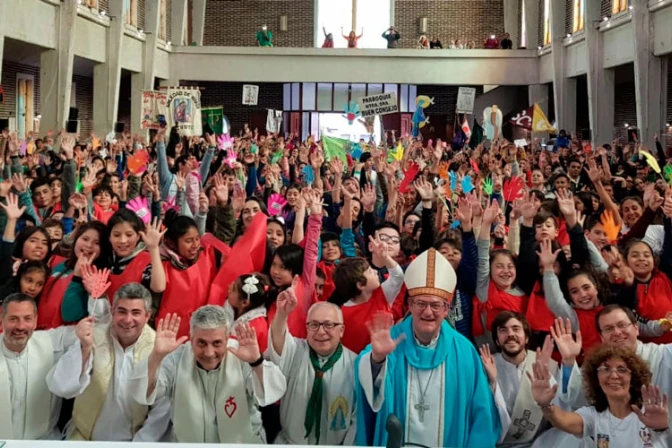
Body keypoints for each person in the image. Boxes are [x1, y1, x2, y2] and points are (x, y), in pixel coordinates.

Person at [354, 248, 501, 447]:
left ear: (446, 309)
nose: (428, 312)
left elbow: (482, 414)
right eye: (421, 303)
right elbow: (363, 383)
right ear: (410, 305)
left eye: (435, 305)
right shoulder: (390, 341)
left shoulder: (464, 352)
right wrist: (377, 360)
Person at [128, 306, 287, 443]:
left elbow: (271, 394)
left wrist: (257, 362)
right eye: (201, 343)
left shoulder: (242, 355)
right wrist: (156, 356)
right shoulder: (177, 358)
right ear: (191, 339)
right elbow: (143, 394)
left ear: (227, 339)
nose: (209, 353)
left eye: (217, 343)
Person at [60, 280, 170, 441]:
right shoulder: (93, 337)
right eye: (122, 311)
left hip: (134, 440)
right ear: (112, 311)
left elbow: (162, 408)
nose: (128, 319)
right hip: (85, 436)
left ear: (147, 316)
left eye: (136, 313)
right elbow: (64, 387)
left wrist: (140, 442)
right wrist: (84, 348)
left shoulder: (158, 347)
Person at [530, 344, 671, 447]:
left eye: (622, 369)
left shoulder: (653, 412)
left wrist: (662, 429)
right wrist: (545, 404)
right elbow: (563, 420)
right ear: (596, 378)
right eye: (605, 369)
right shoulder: (593, 415)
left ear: (633, 378)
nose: (614, 375)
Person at [268, 286, 357, 444]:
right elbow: (278, 338)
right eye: (314, 325)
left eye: (328, 325)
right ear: (307, 328)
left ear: (341, 330)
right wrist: (282, 313)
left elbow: (357, 420)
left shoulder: (355, 364)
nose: (321, 332)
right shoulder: (296, 351)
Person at [0, 293, 93, 439]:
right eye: (13, 319)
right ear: (2, 319)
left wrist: (96, 299)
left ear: (35, 320)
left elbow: (93, 328)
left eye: (27, 319)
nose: (21, 326)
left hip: (44, 440)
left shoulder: (51, 342)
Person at [479, 311, 559, 447]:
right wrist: (492, 383)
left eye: (516, 329)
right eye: (503, 330)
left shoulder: (546, 364)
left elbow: (564, 411)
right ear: (497, 340)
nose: (510, 334)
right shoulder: (485, 366)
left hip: (541, 443)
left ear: (526, 338)